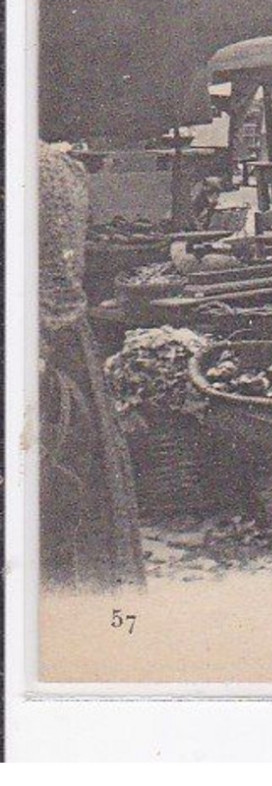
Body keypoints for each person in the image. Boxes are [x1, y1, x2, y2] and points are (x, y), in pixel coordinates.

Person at [39, 144, 144, 590]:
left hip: (47, 343)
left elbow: (56, 286)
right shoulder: (55, 168)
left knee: (61, 476)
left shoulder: (44, 171)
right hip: (57, 338)